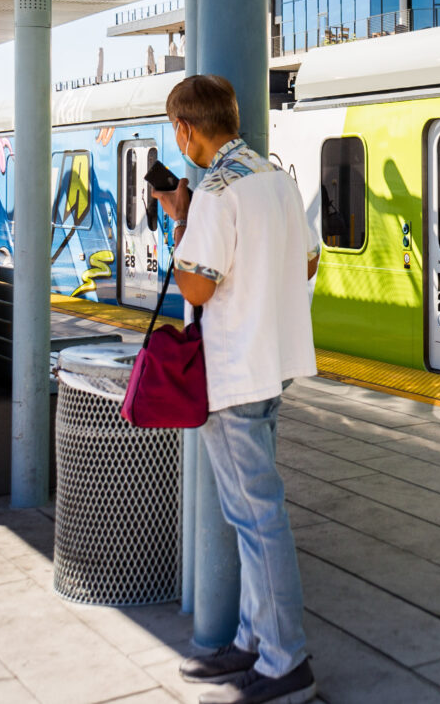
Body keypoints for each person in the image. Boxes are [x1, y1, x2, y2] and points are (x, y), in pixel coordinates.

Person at [152, 74, 320, 704]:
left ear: (189, 129)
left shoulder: (218, 191)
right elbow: (307, 260)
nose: (178, 141)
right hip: (273, 365)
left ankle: (285, 662)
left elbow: (196, 287)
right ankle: (254, 640)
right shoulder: (276, 178)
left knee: (258, 520)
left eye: (177, 129)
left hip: (233, 372)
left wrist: (180, 224)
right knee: (256, 517)